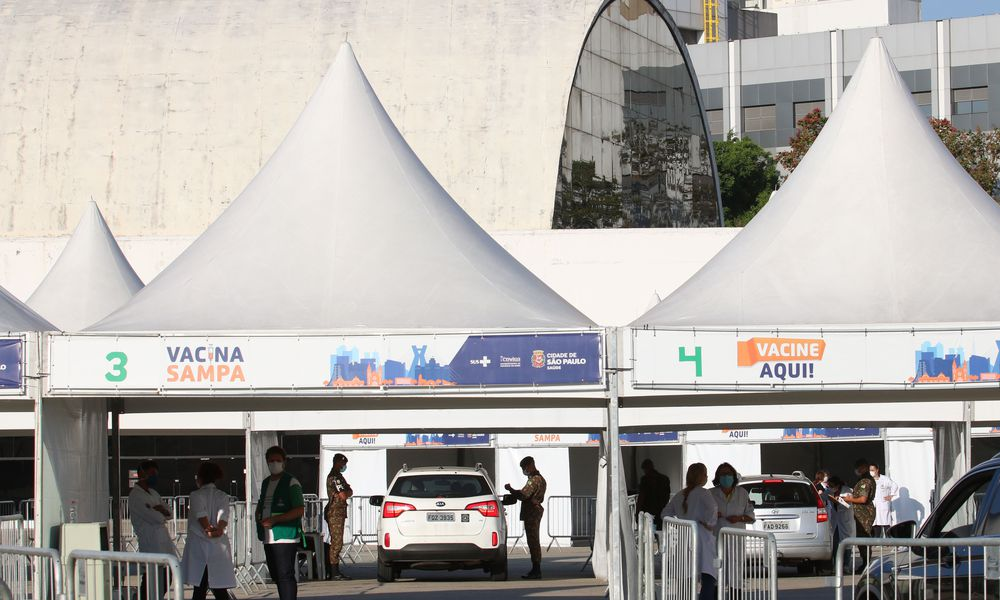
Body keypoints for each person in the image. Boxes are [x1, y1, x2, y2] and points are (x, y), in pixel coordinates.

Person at [181, 462, 237, 600]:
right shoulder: (222, 495)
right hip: (218, 547)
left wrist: (208, 528)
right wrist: (219, 529)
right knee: (219, 589)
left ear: (200, 477)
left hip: (199, 547)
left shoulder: (195, 495)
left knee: (200, 589)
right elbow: (223, 517)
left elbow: (201, 516)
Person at [255, 446, 304, 600]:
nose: (274, 463)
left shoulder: (291, 482)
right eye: (271, 461)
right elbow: (262, 503)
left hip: (285, 535)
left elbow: (299, 509)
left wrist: (276, 519)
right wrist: (258, 516)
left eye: (278, 460)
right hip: (268, 535)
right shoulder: (265, 482)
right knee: (276, 574)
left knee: (285, 574)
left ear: (284, 462)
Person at [663, 463, 718, 600]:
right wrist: (709, 523)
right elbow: (713, 510)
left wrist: (679, 524)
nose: (706, 476)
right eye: (705, 474)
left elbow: (665, 514)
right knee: (708, 576)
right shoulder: (704, 493)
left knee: (685, 577)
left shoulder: (679, 495)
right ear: (700, 476)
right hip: (702, 538)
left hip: (684, 538)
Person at [128, 460, 177, 600]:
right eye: (152, 473)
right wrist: (160, 511)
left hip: (163, 542)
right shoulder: (136, 496)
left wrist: (160, 510)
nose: (155, 477)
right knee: (151, 580)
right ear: (142, 474)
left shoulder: (153, 493)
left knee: (166, 578)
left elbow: (169, 513)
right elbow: (156, 518)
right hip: (150, 542)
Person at [709, 463, 754, 595]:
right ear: (718, 477)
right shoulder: (710, 493)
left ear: (734, 476)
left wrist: (739, 518)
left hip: (736, 540)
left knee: (736, 574)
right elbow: (701, 516)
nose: (726, 477)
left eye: (728, 474)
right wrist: (712, 515)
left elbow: (751, 517)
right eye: (722, 474)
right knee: (716, 572)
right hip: (716, 538)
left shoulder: (742, 493)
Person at [505, 456, 547, 580]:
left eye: (525, 467)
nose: (524, 470)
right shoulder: (537, 479)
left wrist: (511, 490)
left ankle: (536, 569)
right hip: (533, 512)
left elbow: (524, 495)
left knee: (533, 541)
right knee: (533, 540)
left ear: (530, 465)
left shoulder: (535, 480)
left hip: (532, 512)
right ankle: (535, 568)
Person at [324, 453, 353, 581]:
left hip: (337, 512)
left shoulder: (338, 476)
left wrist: (348, 491)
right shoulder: (335, 478)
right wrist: (348, 491)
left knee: (337, 542)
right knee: (336, 543)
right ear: (337, 462)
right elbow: (344, 495)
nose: (344, 466)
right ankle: (334, 571)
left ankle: (334, 570)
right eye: (343, 463)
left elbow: (348, 492)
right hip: (335, 512)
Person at [826, 476, 856, 567]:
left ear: (837, 485)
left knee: (847, 543)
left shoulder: (847, 490)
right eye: (829, 485)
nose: (830, 487)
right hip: (835, 522)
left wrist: (837, 500)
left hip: (845, 520)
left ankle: (846, 565)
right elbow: (822, 496)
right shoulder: (829, 491)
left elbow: (848, 505)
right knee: (835, 543)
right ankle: (836, 565)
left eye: (831, 485)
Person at [637, 459, 671, 528]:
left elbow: (641, 497)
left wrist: (637, 512)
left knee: (648, 530)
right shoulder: (664, 479)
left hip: (648, 510)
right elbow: (667, 496)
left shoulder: (645, 479)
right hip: (660, 510)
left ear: (645, 469)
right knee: (659, 529)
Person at [870, 463, 899, 537]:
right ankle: (876, 540)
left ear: (877, 470)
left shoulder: (885, 479)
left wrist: (891, 495)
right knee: (875, 523)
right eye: (870, 470)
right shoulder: (869, 480)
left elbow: (894, 485)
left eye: (873, 470)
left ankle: (888, 540)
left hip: (883, 504)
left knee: (885, 523)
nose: (871, 472)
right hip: (874, 505)